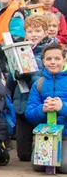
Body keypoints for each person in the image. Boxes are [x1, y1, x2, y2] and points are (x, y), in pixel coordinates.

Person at [10, 14, 53, 161]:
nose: (33, 35)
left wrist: (29, 76)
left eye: (37, 31)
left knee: (43, 144)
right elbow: (11, 80)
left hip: (40, 103)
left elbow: (45, 76)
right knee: (23, 155)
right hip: (22, 102)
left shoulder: (48, 51)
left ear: (45, 32)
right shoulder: (19, 49)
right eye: (30, 31)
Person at [25, 44, 67, 173]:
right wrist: (42, 109)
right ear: (43, 61)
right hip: (46, 133)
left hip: (66, 135)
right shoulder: (39, 83)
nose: (53, 62)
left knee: (64, 166)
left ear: (64, 60)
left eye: (57, 59)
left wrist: (62, 107)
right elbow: (29, 113)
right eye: (49, 59)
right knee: (38, 166)